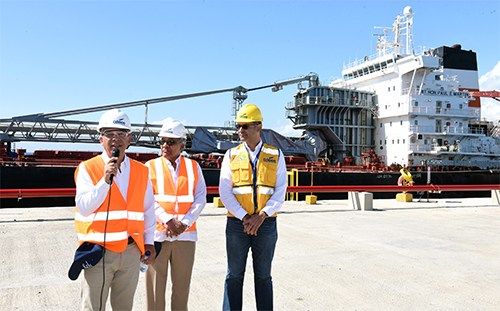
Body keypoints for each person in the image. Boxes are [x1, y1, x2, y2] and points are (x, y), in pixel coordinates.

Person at [73, 108, 156, 311]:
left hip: (130, 253)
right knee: (93, 307)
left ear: (130, 139)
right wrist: (104, 181)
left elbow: (148, 210)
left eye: (121, 134)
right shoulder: (88, 168)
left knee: (124, 307)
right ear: (101, 139)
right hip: (99, 252)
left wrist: (149, 242)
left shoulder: (141, 171)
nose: (115, 139)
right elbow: (84, 207)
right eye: (109, 134)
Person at [219, 103, 287, 310]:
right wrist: (245, 217)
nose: (240, 130)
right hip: (237, 225)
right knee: (233, 275)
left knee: (264, 277)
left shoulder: (275, 155)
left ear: (258, 126)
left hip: (265, 224)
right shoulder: (230, 155)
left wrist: (262, 216)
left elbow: (281, 189)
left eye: (245, 126)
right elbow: (225, 191)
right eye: (238, 126)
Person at [145, 118, 207, 311]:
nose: (165, 145)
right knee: (155, 290)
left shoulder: (193, 167)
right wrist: (169, 221)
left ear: (182, 143)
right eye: (162, 141)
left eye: (170, 142)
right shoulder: (150, 166)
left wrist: (183, 223)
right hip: (157, 236)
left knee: (182, 289)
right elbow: (147, 199)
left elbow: (200, 197)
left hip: (185, 236)